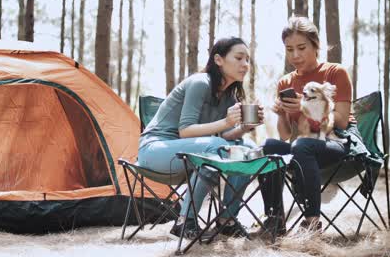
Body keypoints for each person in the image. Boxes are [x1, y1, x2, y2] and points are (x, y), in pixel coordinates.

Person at [138, 36, 264, 238]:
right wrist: (226, 123)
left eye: (247, 60)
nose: (245, 64)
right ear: (218, 59)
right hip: (156, 151)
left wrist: (245, 127)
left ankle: (227, 220)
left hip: (191, 152)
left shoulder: (228, 95)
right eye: (239, 58)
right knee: (216, 147)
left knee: (247, 148)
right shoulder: (200, 83)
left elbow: (225, 135)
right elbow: (185, 130)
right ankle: (184, 220)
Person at [259, 16, 369, 234]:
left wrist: (302, 106)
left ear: (315, 45)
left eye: (301, 47)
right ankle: (274, 219)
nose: (295, 55)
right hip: (304, 146)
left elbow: (341, 119)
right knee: (269, 146)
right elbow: (284, 135)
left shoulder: (335, 72)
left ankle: (311, 223)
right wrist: (281, 113)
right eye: (289, 49)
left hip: (337, 142)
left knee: (302, 145)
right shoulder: (285, 82)